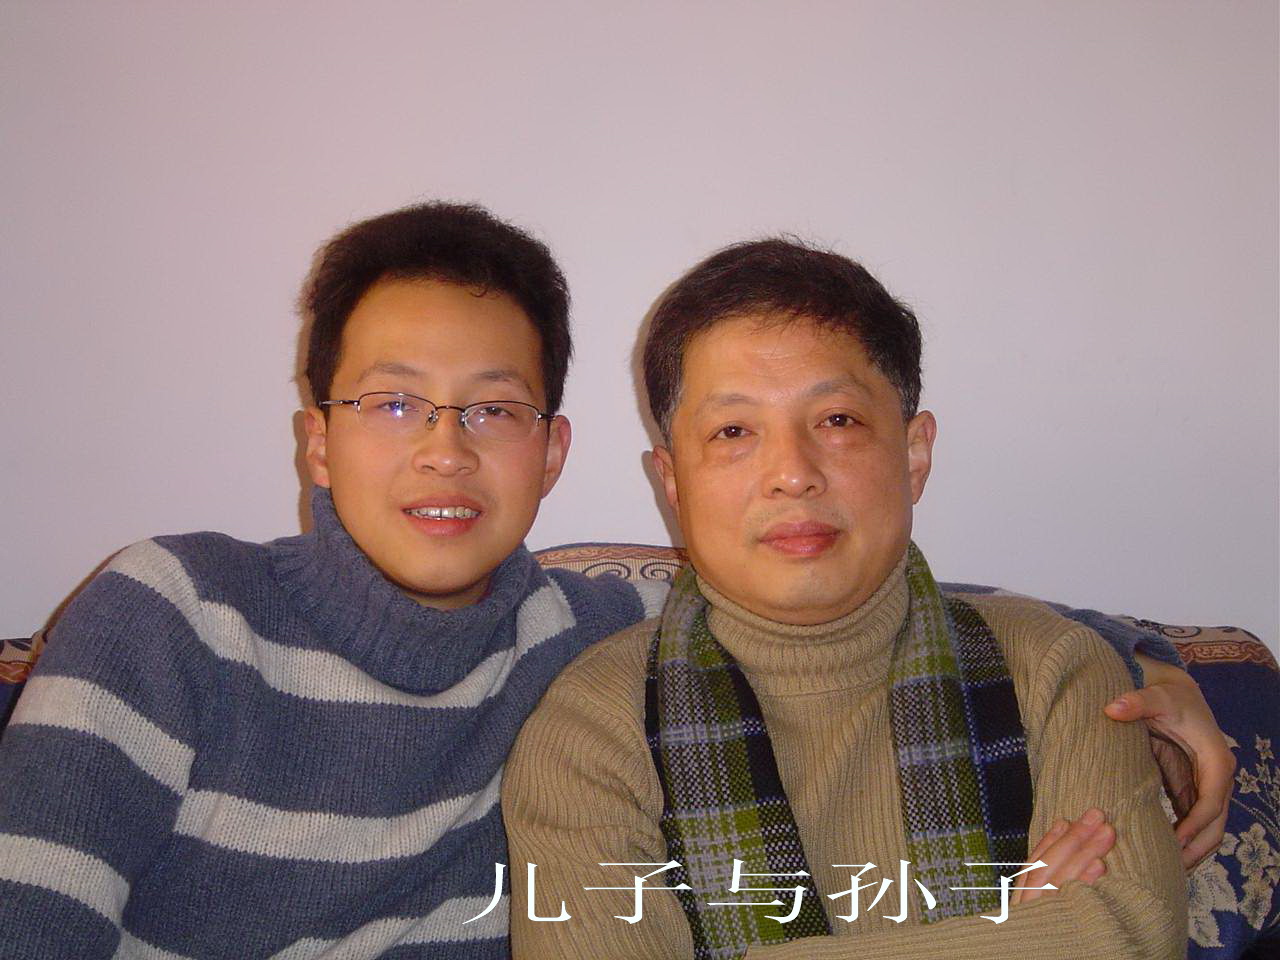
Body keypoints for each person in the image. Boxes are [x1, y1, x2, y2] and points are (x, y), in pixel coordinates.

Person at [0, 206, 1224, 959]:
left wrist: (1147, 667)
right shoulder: (175, 612)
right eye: (391, 404)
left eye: (493, 408)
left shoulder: (585, 631)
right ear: (316, 440)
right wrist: (1010, 938)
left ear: (551, 452)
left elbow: (854, 594)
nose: (443, 450)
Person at [503, 238, 1193, 958]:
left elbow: (1133, 931)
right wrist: (1028, 940)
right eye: (733, 431)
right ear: (673, 482)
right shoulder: (592, 728)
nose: (792, 473)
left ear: (914, 454)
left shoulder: (1056, 669)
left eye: (837, 421)